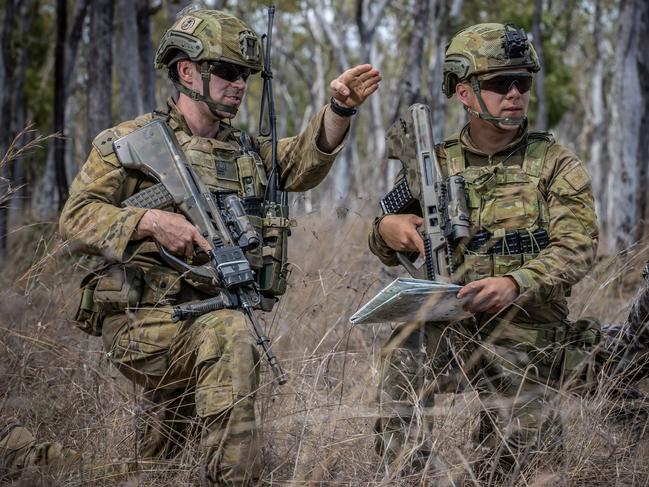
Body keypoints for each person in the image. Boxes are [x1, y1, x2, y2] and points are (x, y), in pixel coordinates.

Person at [58, 7, 380, 486]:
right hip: (145, 321)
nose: (239, 85)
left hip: (208, 313)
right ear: (187, 71)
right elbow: (74, 221)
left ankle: (30, 459)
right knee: (230, 336)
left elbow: (302, 161)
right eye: (227, 72)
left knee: (153, 470)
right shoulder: (129, 144)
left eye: (245, 76)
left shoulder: (246, 152)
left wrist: (339, 110)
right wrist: (147, 220)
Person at [369, 23, 598, 477]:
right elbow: (383, 240)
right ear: (464, 93)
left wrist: (516, 283)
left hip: (526, 330)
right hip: (447, 323)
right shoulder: (433, 164)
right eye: (498, 84)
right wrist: (386, 229)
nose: (514, 94)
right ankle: (410, 474)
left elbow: (579, 247)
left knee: (529, 464)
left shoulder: (555, 164)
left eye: (523, 83)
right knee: (402, 359)